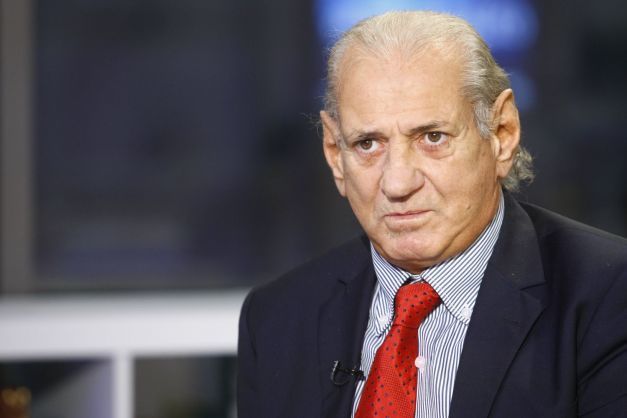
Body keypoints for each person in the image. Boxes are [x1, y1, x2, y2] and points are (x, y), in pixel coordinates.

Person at [237, 10, 627, 418]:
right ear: (335, 155)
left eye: (432, 137)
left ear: (502, 133)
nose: (397, 183)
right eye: (368, 144)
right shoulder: (276, 319)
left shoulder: (608, 297)